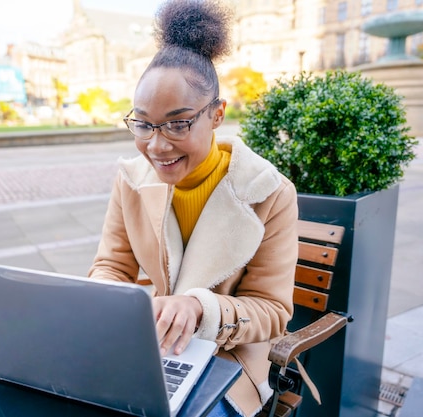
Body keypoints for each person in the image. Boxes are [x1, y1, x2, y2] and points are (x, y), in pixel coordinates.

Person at [88, 0, 298, 416]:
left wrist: (200, 307)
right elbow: (110, 266)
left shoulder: (269, 192)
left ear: (217, 114)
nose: (157, 145)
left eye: (179, 123)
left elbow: (273, 312)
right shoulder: (131, 178)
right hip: (149, 347)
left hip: (228, 362)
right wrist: (117, 308)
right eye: (144, 123)